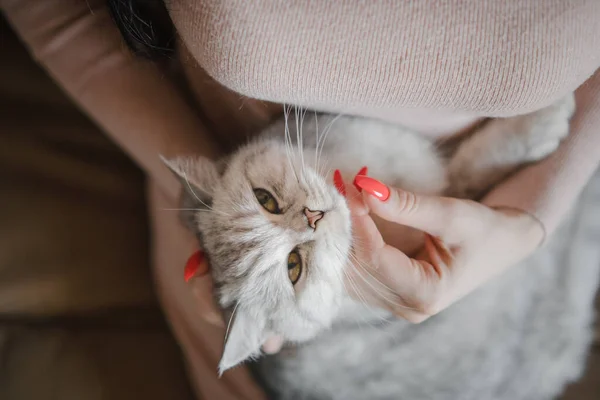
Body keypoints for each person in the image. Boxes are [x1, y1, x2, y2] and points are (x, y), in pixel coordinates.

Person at [1, 1, 599, 399]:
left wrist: (535, 215)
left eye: (270, 202)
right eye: (295, 260)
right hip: (259, 323)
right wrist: (528, 213)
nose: (310, 220)